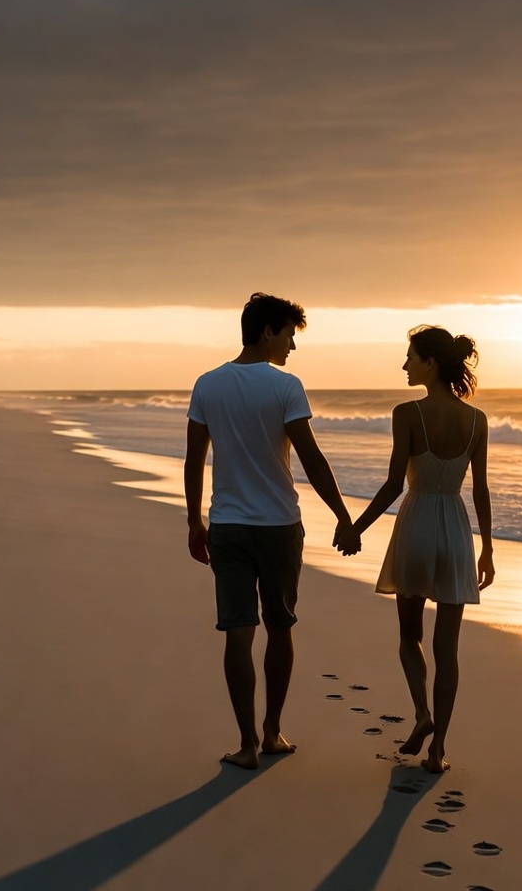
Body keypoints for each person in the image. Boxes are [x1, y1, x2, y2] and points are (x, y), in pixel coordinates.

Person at [184, 292, 354, 770]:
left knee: (237, 632)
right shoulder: (286, 386)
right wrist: (342, 515)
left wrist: (193, 519)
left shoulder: (207, 384)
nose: (292, 347)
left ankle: (246, 745)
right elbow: (311, 459)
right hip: (279, 526)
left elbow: (195, 459)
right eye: (289, 335)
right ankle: (273, 731)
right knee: (280, 627)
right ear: (267, 332)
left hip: (228, 526)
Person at [336, 325, 495, 773]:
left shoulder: (407, 413)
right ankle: (438, 749)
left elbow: (392, 485)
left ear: (429, 362)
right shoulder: (477, 420)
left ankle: (422, 713)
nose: (404, 365)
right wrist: (487, 549)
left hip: (417, 525)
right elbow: (480, 489)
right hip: (457, 530)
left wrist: (356, 529)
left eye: (410, 358)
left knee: (411, 636)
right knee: (449, 649)